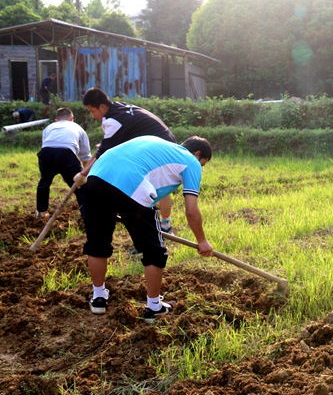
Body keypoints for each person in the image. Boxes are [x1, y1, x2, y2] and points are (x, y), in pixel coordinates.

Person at [81, 135, 214, 323]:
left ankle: (98, 298)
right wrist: (202, 240)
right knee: (155, 252)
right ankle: (153, 308)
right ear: (198, 154)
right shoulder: (190, 161)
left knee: (97, 243)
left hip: (96, 177)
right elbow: (191, 210)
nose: (200, 168)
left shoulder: (154, 142)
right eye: (203, 164)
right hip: (131, 183)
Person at [75, 87, 176, 233]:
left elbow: (103, 153)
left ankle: (156, 229)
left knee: (145, 188)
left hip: (158, 149)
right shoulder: (118, 107)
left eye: (92, 111)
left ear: (102, 106)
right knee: (157, 186)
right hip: (163, 145)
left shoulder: (113, 120)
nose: (92, 115)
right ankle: (163, 225)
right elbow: (106, 146)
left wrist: (83, 174)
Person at [36, 108, 92, 219]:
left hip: (46, 153)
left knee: (44, 182)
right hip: (66, 154)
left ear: (56, 120)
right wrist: (86, 175)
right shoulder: (77, 127)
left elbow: (46, 145)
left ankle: (41, 212)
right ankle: (88, 216)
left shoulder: (49, 127)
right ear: (72, 119)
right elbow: (85, 156)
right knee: (80, 187)